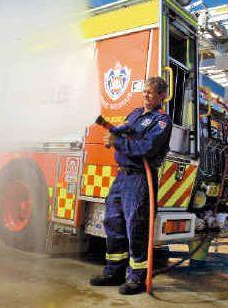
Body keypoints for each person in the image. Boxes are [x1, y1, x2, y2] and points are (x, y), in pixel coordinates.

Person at [89, 77, 173, 295]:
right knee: (113, 221)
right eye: (144, 91)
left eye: (151, 93)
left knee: (135, 227)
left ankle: (137, 278)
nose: (146, 95)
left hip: (139, 179)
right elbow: (125, 130)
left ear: (162, 96)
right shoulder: (136, 114)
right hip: (122, 177)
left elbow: (147, 148)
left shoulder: (161, 121)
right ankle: (114, 272)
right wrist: (114, 131)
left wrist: (117, 141)